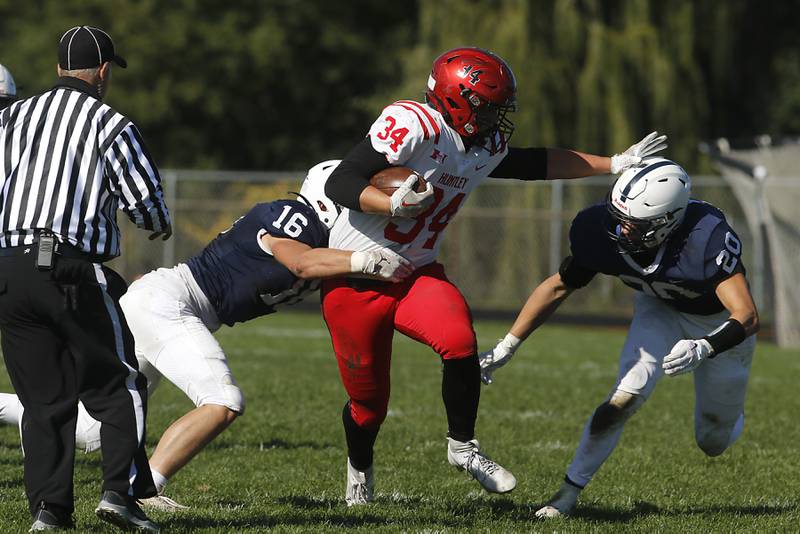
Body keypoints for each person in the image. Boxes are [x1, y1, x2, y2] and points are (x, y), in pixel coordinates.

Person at [321, 46, 668, 506]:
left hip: (415, 271)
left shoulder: (481, 145)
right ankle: (359, 477)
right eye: (488, 107)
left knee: (459, 340)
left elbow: (534, 164)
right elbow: (341, 180)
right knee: (369, 405)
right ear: (456, 98)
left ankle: (462, 448)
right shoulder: (413, 124)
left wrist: (614, 163)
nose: (496, 118)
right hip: (355, 275)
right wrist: (390, 204)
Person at [0, 160, 413, 511]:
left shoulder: (319, 238)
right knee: (223, 401)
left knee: (90, 428)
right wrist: (365, 260)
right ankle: (144, 490)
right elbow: (301, 263)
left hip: (163, 304)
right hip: (171, 304)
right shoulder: (295, 216)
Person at [479, 157, 759, 518]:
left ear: (668, 221)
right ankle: (566, 495)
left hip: (715, 325)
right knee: (622, 399)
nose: (621, 230)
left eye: (634, 224)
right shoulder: (601, 229)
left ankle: (732, 417)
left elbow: (747, 315)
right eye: (619, 217)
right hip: (658, 309)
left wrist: (705, 346)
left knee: (713, 441)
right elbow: (559, 286)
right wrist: (506, 346)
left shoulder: (706, 238)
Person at [0, 26, 170, 531]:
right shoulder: (109, 122)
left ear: (57, 69)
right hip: (68, 267)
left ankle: (49, 511)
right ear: (101, 72)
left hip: (7, 268)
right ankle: (120, 492)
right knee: (119, 385)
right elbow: (151, 212)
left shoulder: (11, 117)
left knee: (43, 400)